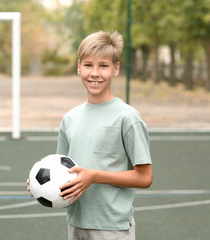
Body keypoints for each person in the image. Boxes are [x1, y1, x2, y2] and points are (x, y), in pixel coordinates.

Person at [29, 31, 153, 239]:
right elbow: (62, 171)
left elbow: (145, 177)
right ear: (79, 67)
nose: (95, 73)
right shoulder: (70, 118)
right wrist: (37, 182)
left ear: (116, 68)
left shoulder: (127, 117)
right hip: (76, 222)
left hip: (112, 226)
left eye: (103, 66)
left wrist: (94, 176)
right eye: (88, 65)